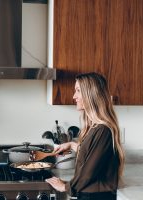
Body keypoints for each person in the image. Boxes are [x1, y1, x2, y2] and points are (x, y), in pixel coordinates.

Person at [46, 72, 125, 200]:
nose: (74, 96)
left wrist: (66, 187)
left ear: (91, 95)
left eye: (78, 90)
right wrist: (72, 145)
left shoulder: (103, 130)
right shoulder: (94, 127)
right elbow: (92, 153)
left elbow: (88, 173)